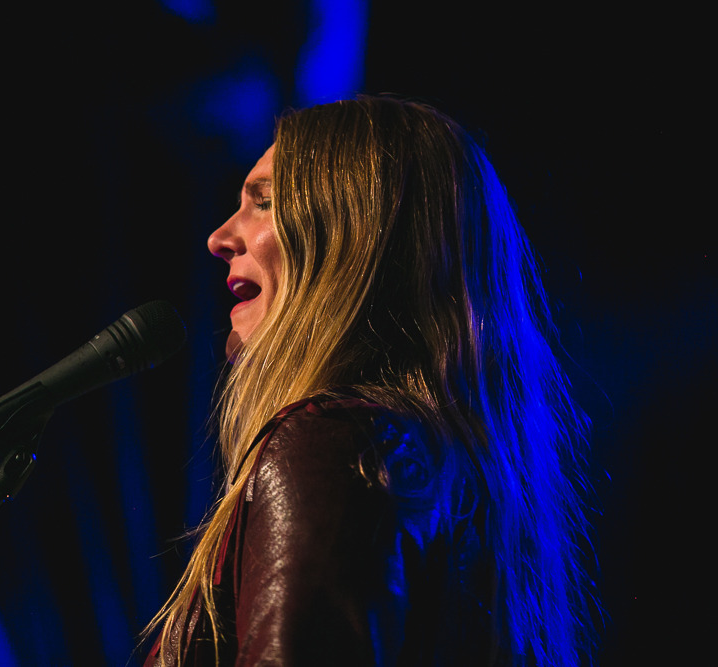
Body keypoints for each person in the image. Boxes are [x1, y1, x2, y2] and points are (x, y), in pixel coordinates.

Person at [144, 95, 597, 666]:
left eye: (264, 202)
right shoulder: (442, 466)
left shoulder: (334, 442)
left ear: (357, 234)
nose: (220, 237)